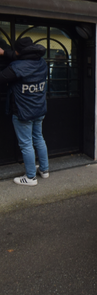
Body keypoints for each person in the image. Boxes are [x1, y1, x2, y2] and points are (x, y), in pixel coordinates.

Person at [0, 37, 49, 186]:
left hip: (23, 112)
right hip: (39, 109)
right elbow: (19, 56)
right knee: (39, 139)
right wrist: (4, 53)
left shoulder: (16, 68)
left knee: (26, 144)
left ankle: (30, 177)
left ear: (18, 52)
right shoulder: (42, 63)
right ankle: (44, 170)